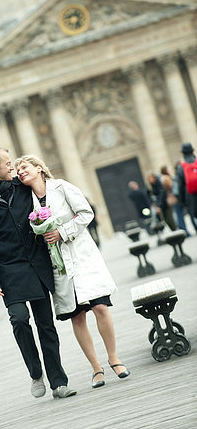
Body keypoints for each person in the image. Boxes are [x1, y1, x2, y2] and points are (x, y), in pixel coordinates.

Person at [0, 146, 76, 399]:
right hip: (7, 272)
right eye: (7, 162)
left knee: (46, 326)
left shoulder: (22, 188)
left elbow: (46, 195)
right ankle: (36, 373)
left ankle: (58, 382)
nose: (12, 166)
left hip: (36, 267)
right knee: (19, 319)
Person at [15, 154, 130, 389]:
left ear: (39, 168)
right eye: (17, 170)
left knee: (99, 306)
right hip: (59, 264)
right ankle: (96, 369)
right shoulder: (26, 201)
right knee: (77, 316)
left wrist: (63, 232)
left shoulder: (62, 187)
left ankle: (114, 358)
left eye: (24, 167)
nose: (20, 172)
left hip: (82, 255)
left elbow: (86, 213)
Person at [161, 164, 190, 236]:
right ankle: (184, 231)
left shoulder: (167, 177)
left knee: (180, 215)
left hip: (175, 198)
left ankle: (184, 231)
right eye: (168, 168)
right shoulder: (166, 178)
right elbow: (172, 187)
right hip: (174, 198)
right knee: (179, 215)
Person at [175, 142, 197, 228]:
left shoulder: (181, 167)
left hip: (191, 198)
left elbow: (180, 186)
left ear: (183, 153)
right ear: (193, 151)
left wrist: (183, 202)